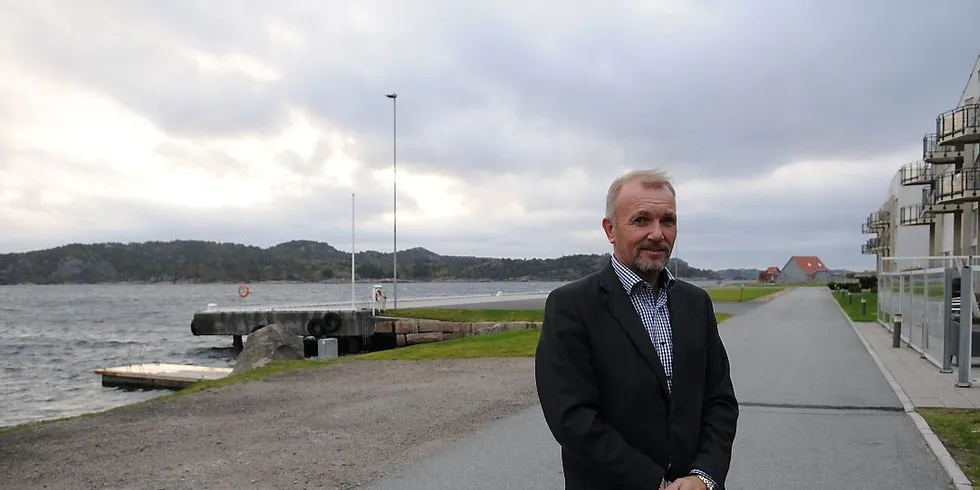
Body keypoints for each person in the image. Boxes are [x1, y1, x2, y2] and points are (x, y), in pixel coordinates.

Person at [534, 169, 738, 490]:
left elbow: (720, 401)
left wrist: (705, 475)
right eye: (642, 220)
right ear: (610, 229)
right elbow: (572, 417)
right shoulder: (572, 306)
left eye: (667, 221)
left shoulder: (695, 303)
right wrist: (655, 483)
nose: (657, 234)